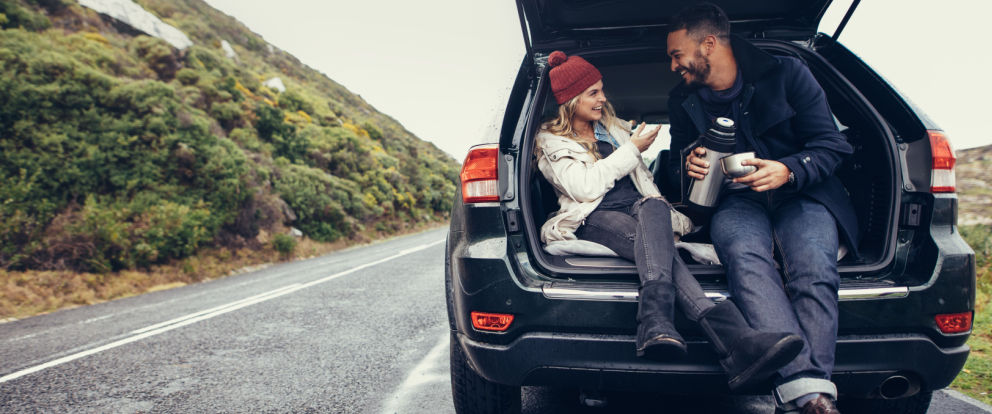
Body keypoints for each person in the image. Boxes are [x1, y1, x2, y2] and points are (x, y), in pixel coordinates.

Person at [534, 50, 803, 391]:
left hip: (645, 212)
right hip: (594, 217)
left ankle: (657, 321)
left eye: (602, 90)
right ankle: (733, 342)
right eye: (593, 93)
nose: (603, 98)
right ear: (570, 100)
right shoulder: (549, 141)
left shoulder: (614, 129)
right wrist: (632, 148)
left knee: (654, 207)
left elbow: (648, 188)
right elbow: (584, 189)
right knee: (663, 250)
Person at [665, 3, 858, 413]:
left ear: (709, 44)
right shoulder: (681, 100)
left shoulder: (787, 73)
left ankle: (804, 396)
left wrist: (787, 170)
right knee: (745, 259)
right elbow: (673, 171)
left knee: (812, 267)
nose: (672, 66)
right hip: (735, 202)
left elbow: (831, 146)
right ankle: (812, 399)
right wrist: (688, 165)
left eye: (676, 54)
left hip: (804, 194)